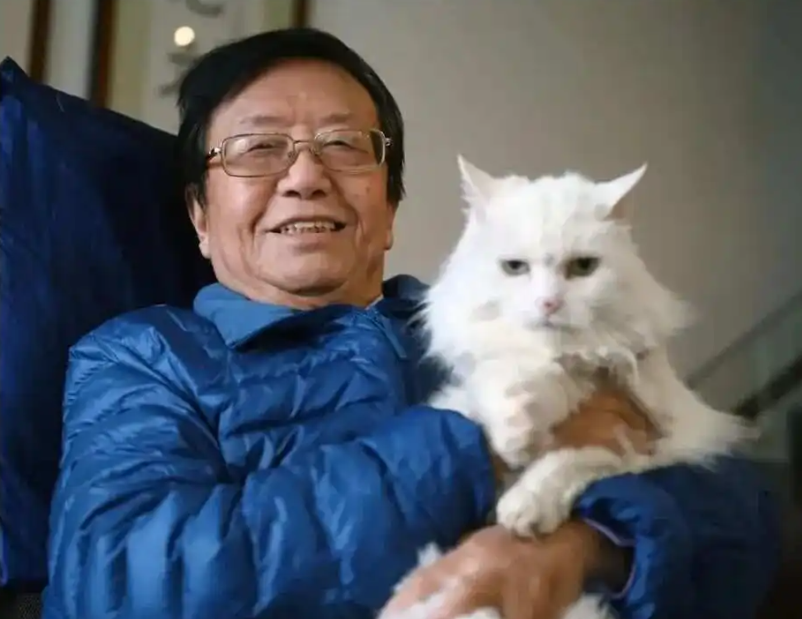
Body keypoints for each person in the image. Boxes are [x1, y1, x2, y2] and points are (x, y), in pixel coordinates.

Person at [41, 28, 779, 619]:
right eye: (258, 148)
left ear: (389, 208)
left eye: (342, 145)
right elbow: (120, 582)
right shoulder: (143, 356)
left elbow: (733, 503)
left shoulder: (509, 320)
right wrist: (480, 443)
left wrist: (588, 545)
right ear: (201, 217)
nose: (305, 177)